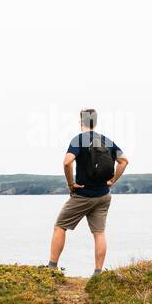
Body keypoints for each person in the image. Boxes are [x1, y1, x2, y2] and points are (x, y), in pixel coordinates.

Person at [48, 108, 128, 274]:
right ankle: (98, 273)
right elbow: (123, 161)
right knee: (99, 233)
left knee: (60, 227)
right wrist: (112, 181)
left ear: (81, 122)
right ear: (95, 122)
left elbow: (67, 162)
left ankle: (51, 268)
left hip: (83, 195)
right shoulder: (106, 140)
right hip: (104, 195)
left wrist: (71, 184)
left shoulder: (79, 140)